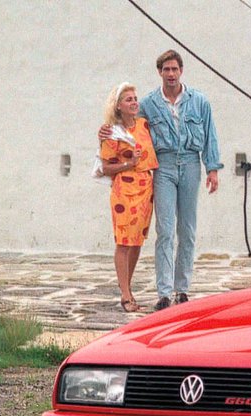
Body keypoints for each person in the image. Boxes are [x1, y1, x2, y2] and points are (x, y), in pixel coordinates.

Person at [100, 49, 222, 311]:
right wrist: (105, 130)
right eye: (165, 69)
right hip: (163, 167)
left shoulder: (199, 101)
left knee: (187, 229)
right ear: (159, 72)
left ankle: (182, 289)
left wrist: (212, 168)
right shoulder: (149, 103)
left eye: (174, 69)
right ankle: (164, 292)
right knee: (165, 229)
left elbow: (210, 134)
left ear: (181, 71)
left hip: (190, 163)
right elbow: (127, 121)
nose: (170, 74)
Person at [100, 83, 158, 312]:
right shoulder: (112, 133)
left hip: (145, 187)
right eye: (128, 100)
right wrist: (128, 164)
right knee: (123, 242)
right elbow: (105, 167)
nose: (134, 102)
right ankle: (125, 294)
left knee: (136, 242)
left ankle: (129, 288)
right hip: (124, 189)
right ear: (118, 106)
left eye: (135, 98)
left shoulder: (144, 124)